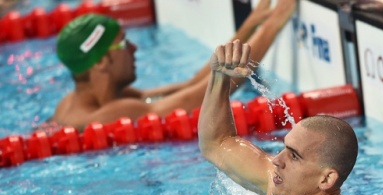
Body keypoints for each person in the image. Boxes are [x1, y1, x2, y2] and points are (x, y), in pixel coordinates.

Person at [159, 39, 370, 195]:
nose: (277, 160)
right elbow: (216, 145)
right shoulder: (281, 183)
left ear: (326, 179)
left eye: (294, 156)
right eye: (284, 147)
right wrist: (218, 78)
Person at [50, 0, 296, 131]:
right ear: (102, 61)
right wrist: (276, 22)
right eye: (123, 43)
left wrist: (251, 24)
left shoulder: (85, 101)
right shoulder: (108, 116)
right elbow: (205, 96)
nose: (134, 48)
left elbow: (192, 86)